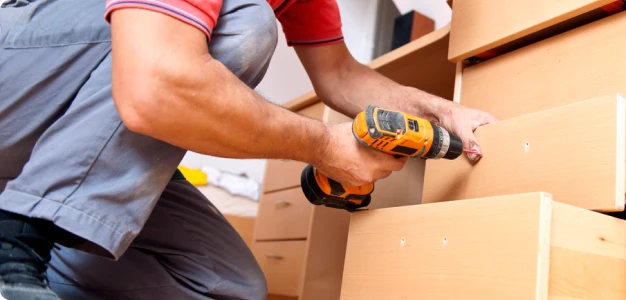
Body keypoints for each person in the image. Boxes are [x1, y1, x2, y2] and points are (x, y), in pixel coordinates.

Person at [0, 0, 496, 298]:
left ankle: (37, 261)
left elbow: (340, 75)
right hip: (20, 84)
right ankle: (14, 245)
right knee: (243, 21)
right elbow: (155, 85)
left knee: (224, 286)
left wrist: (442, 111)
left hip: (45, 138)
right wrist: (325, 145)